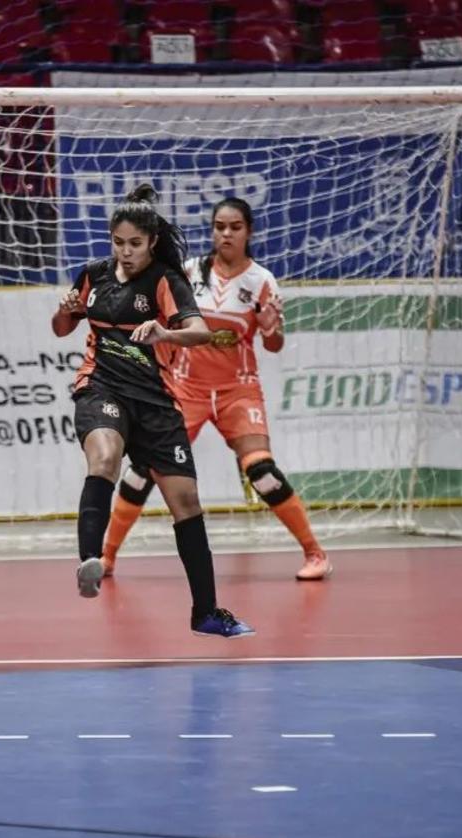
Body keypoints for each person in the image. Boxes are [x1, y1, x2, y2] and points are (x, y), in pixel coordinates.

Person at [52, 184, 253, 639]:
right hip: (101, 387)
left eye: (134, 244)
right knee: (103, 457)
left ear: (151, 242)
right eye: (118, 242)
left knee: (186, 503)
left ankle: (206, 612)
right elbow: (62, 327)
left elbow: (200, 332)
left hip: (156, 401)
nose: (125, 252)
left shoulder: (166, 280)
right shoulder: (94, 275)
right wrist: (65, 311)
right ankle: (91, 560)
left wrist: (164, 333)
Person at [100, 197, 333, 582]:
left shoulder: (262, 281)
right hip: (184, 388)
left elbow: (273, 345)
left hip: (237, 391)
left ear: (249, 231)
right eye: (219, 226)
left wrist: (272, 329)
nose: (226, 233)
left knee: (262, 472)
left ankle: (315, 553)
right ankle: (107, 557)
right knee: (142, 470)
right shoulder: (189, 272)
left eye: (235, 227)